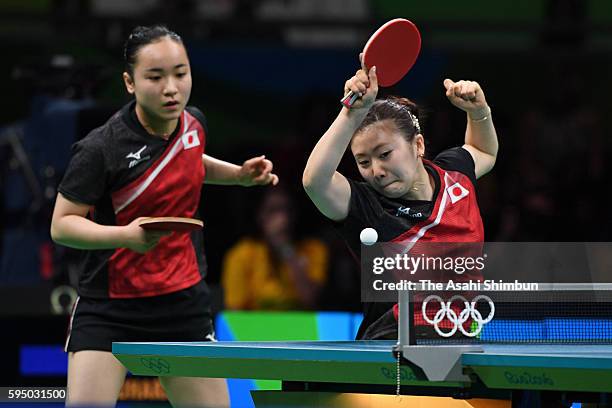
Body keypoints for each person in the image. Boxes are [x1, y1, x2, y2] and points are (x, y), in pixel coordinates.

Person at [50, 25, 278, 407]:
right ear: (129, 82)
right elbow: (62, 224)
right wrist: (124, 236)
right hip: (110, 304)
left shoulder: (194, 123)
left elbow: (189, 159)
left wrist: (238, 176)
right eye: (155, 77)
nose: (171, 87)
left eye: (180, 73)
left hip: (180, 301)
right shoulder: (100, 149)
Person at [302, 60, 498, 340]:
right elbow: (315, 182)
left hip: (462, 339)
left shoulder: (454, 174)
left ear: (418, 145)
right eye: (363, 161)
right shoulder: (368, 207)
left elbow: (483, 151)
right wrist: (350, 114)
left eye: (384, 154)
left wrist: (479, 111)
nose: (377, 172)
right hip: (391, 353)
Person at [222, 189, 328, 310]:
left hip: (300, 327)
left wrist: (288, 251)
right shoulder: (240, 255)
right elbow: (234, 312)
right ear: (259, 215)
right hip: (256, 327)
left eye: (287, 210)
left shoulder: (314, 249)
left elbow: (310, 300)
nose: (283, 220)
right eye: (272, 211)